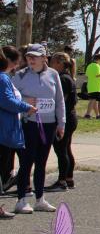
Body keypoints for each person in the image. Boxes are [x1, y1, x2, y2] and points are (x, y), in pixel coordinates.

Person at [12, 44, 65, 213]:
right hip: (29, 124)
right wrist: (24, 100)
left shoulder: (53, 74)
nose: (31, 59)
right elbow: (9, 97)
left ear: (44, 58)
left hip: (49, 125)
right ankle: (21, 200)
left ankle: (40, 199)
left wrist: (61, 123)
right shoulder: (20, 75)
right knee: (26, 162)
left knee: (42, 162)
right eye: (29, 56)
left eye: (35, 56)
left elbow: (59, 100)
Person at [0, 46, 34, 216]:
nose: (16, 66)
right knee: (2, 169)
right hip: (4, 130)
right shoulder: (2, 78)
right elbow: (7, 101)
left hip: (7, 130)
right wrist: (26, 107)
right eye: (15, 62)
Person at [47, 52, 78, 191]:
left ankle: (62, 181)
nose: (50, 65)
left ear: (59, 63)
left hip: (66, 118)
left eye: (52, 62)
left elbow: (61, 102)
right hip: (70, 117)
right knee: (66, 148)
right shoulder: (66, 77)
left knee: (61, 150)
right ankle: (69, 178)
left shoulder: (63, 79)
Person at [83, 53, 100, 118]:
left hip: (90, 85)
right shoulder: (97, 65)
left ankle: (97, 115)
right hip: (96, 85)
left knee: (94, 100)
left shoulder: (89, 65)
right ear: (99, 59)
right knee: (93, 100)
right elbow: (98, 75)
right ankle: (87, 114)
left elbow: (87, 75)